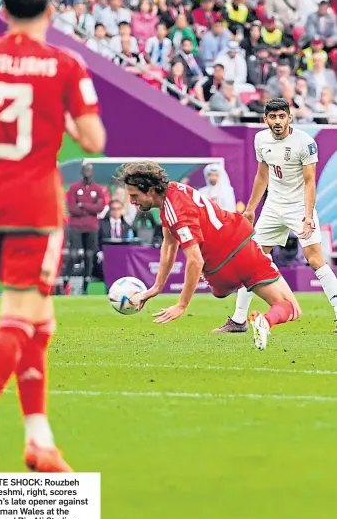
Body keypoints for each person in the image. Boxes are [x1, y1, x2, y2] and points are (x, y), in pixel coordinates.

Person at [0, 0, 106, 486]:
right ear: (51, 10)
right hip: (36, 208)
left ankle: (39, 442)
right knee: (19, 318)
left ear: (1, 11)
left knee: (41, 321)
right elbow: (93, 140)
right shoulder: (64, 65)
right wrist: (65, 119)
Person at [118, 161, 302, 350]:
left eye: (134, 195)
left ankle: (242, 310)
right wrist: (165, 294)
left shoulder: (174, 211)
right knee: (291, 308)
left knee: (229, 283)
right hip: (242, 247)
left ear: (150, 191)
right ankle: (265, 321)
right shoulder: (177, 190)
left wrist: (172, 298)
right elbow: (178, 249)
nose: (132, 201)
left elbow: (184, 254)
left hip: (219, 273)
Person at [214, 98, 337, 334]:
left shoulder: (305, 143)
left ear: (290, 117)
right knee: (250, 259)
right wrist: (250, 209)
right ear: (265, 119)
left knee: (315, 260)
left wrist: (309, 215)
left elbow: (310, 181)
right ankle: (239, 321)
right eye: (273, 117)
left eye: (282, 116)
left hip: (299, 206)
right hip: (273, 206)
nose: (278, 121)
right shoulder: (260, 139)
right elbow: (262, 175)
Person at [63, 162, 105, 294]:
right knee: (74, 254)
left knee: (89, 255)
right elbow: (72, 208)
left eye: (89, 170)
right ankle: (65, 283)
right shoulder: (74, 188)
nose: (87, 172)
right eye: (85, 170)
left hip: (91, 227)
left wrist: (83, 205)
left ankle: (85, 286)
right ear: (81, 172)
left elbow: (100, 207)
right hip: (76, 226)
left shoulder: (98, 189)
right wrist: (90, 208)